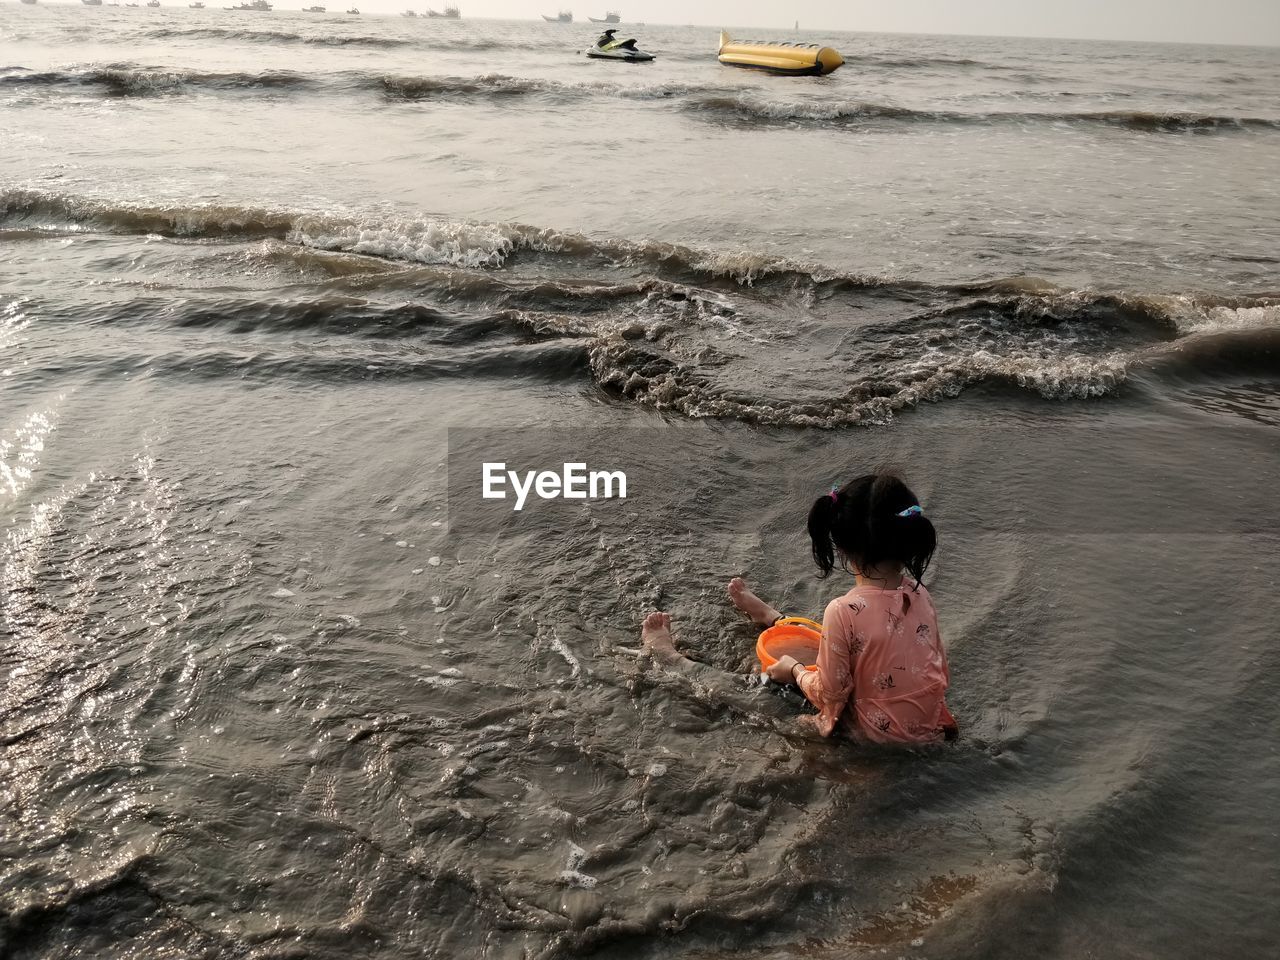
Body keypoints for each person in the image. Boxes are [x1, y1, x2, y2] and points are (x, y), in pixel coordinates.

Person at [640, 472, 956, 745]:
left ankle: (671, 659)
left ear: (842, 548)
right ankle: (773, 619)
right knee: (845, 646)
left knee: (748, 689)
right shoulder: (920, 594)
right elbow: (937, 669)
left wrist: (793, 671)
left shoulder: (844, 609)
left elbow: (829, 696)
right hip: (929, 730)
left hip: (871, 737)